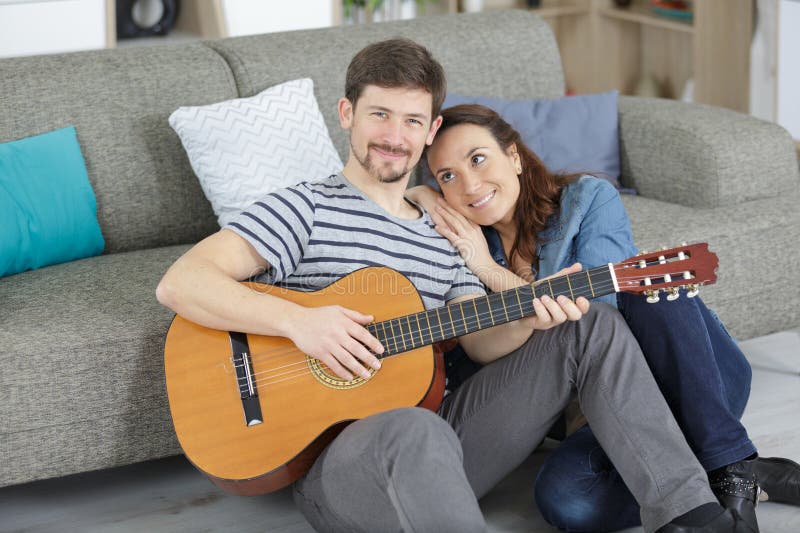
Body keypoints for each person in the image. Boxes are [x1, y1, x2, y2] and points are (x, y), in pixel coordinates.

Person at [157, 39, 755, 532]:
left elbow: (479, 344)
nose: (394, 136)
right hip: (348, 463)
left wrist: (525, 316)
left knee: (590, 324)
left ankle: (693, 516)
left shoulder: (445, 235)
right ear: (347, 115)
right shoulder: (306, 208)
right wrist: (301, 322)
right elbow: (182, 283)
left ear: (430, 129)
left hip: (453, 437)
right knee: (413, 428)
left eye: (412, 120)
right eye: (379, 115)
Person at [409, 103, 800, 532]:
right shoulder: (458, 246)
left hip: (692, 380)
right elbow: (487, 353)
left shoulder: (587, 199)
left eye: (477, 159)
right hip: (605, 413)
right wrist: (424, 198)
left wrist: (490, 270)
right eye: (447, 176)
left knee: (647, 290)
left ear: (514, 156)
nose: (469, 183)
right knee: (569, 501)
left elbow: (601, 316)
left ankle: (732, 462)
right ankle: (723, 470)